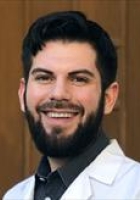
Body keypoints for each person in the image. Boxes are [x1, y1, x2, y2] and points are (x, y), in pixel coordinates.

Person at [3, 10, 140, 200]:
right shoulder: (14, 196)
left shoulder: (135, 188)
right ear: (23, 94)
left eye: (79, 79)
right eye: (44, 77)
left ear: (109, 98)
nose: (59, 93)